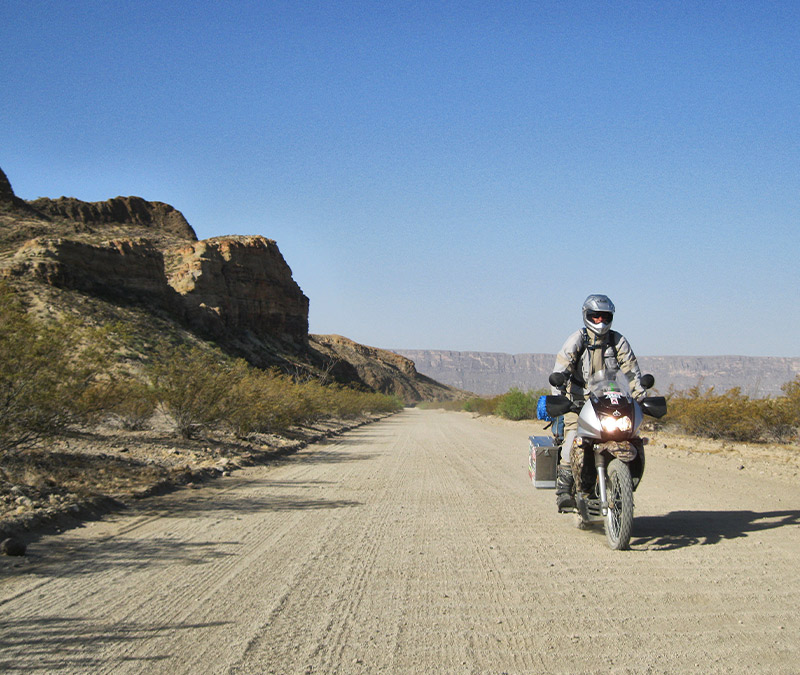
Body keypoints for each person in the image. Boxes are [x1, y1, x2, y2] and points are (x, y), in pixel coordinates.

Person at [551, 294, 645, 511]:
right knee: (572, 439)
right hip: (578, 402)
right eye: (595, 317)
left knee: (631, 436)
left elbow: (631, 370)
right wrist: (558, 395)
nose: (600, 321)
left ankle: (624, 480)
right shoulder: (577, 339)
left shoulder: (617, 340)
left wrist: (639, 395)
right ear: (586, 316)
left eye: (604, 316)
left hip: (608, 401)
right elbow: (561, 367)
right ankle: (564, 490)